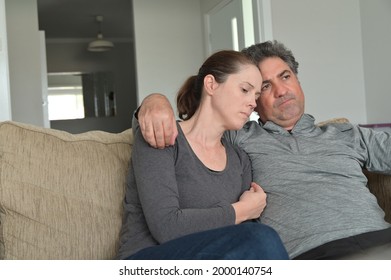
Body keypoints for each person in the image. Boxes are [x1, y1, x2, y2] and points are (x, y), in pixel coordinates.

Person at [135, 40, 391, 260]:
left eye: (285, 76)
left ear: (298, 79)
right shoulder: (239, 138)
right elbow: (197, 123)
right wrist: (153, 101)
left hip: (380, 241)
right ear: (254, 103)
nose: (281, 91)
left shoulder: (347, 134)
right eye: (265, 87)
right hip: (311, 255)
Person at [117, 50, 289, 260]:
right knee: (263, 238)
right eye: (245, 89)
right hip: (146, 260)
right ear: (211, 85)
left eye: (255, 96)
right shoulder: (163, 135)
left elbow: (240, 240)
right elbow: (167, 226)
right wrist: (241, 210)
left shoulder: (240, 159)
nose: (253, 103)